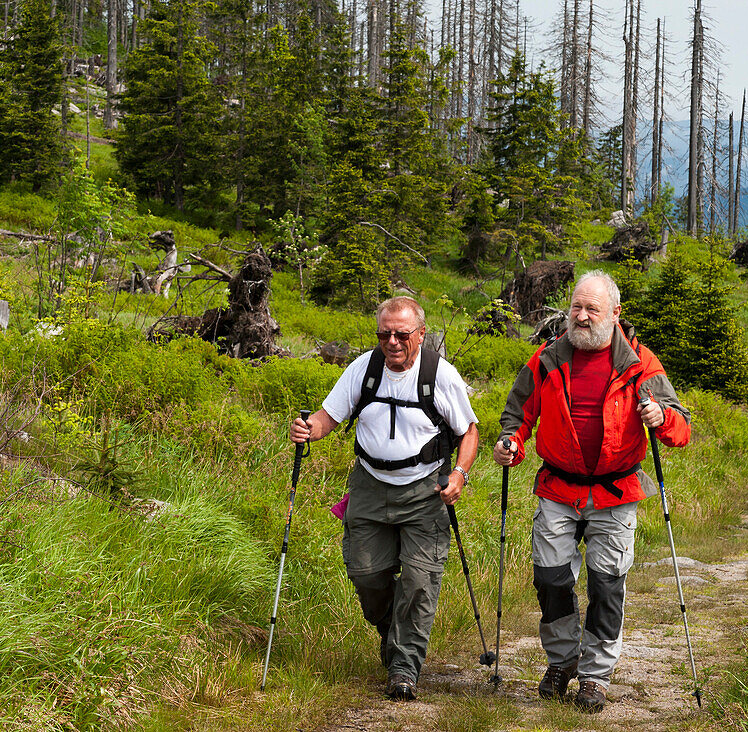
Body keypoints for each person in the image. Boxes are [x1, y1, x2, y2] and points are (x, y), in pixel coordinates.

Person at [494, 270, 690, 713]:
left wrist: (661, 417)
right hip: (558, 487)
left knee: (606, 587)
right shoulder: (546, 359)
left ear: (615, 314)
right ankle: (562, 662)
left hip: (615, 492)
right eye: (576, 308)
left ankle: (595, 676)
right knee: (550, 580)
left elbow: (681, 427)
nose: (581, 317)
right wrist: (512, 443)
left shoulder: (640, 363)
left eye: (592, 309)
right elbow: (517, 414)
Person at [291, 296, 479, 702]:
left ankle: (403, 668)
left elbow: (469, 432)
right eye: (384, 333)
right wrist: (310, 429)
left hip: (425, 490)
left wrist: (459, 474)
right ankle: (395, 633)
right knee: (366, 574)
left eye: (401, 334)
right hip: (370, 486)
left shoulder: (438, 375)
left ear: (421, 334)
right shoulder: (363, 368)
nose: (392, 342)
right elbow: (329, 417)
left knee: (419, 580)